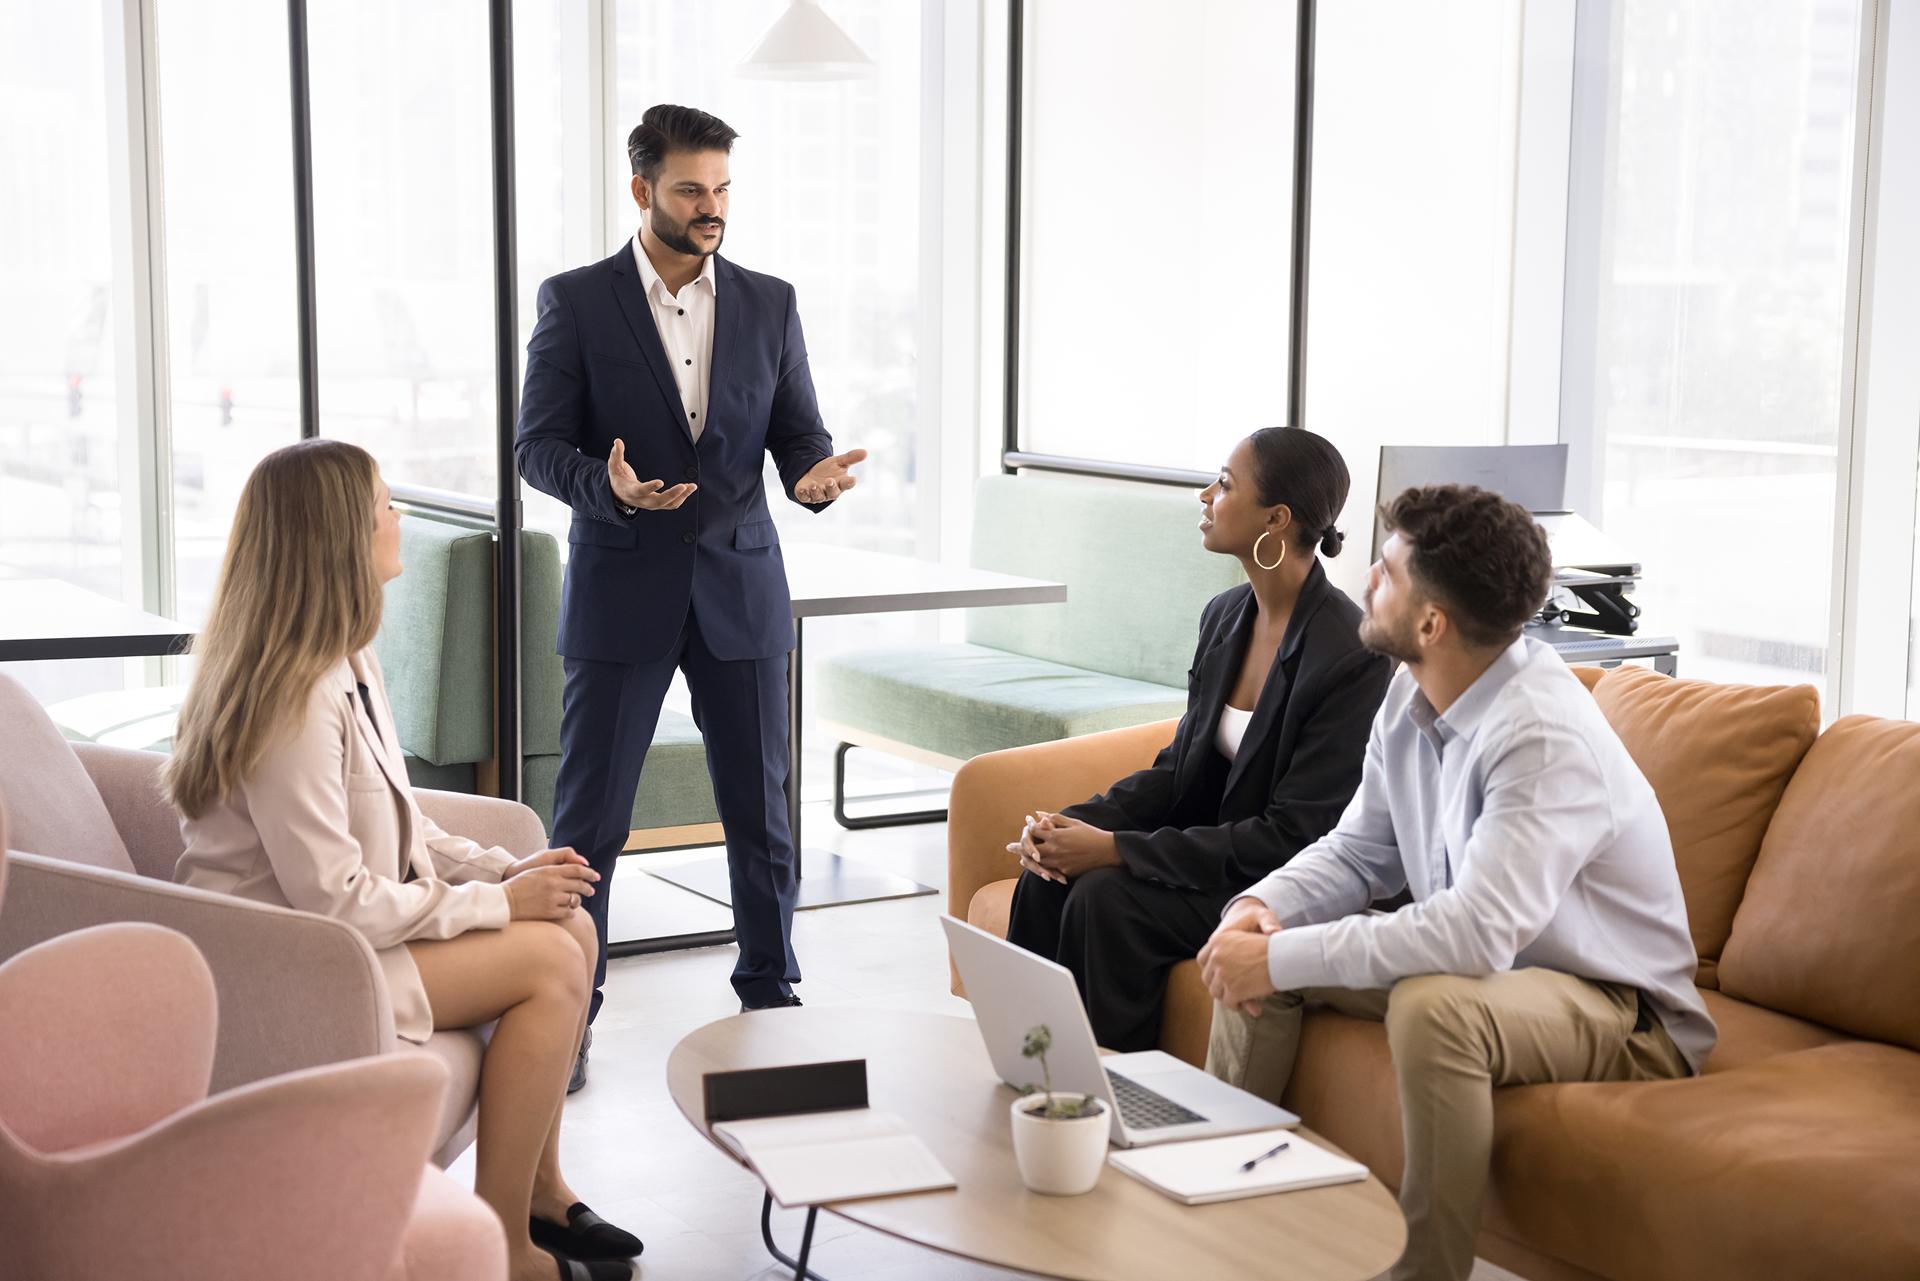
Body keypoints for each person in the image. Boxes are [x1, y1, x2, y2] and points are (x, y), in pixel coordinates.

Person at [1198, 483, 1715, 1281]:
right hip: (1505, 971)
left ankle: (1424, 1272)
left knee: (1431, 1005)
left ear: (1432, 622)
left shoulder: (1537, 733)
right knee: (1273, 943)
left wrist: (1280, 955)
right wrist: (1261, 909)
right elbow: (1361, 849)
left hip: (1618, 1005)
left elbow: (1471, 935)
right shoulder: (1411, 683)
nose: (1368, 577)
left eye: (1390, 572)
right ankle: (1224, 1212)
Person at [168, 440, 640, 1281]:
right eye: (385, 506)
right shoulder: (293, 696)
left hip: (343, 937)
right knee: (550, 963)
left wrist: (504, 873)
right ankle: (503, 1249)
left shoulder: (346, 656)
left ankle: (539, 1187)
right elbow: (334, 901)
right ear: (338, 534)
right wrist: (502, 909)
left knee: (573, 927)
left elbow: (398, 815)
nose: (400, 519)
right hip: (292, 961)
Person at [517, 104, 866, 1088]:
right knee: (590, 825)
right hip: (621, 590)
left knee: (763, 813)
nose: (710, 210)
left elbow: (798, 434)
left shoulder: (769, 301)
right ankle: (565, 1014)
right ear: (642, 191)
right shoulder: (576, 301)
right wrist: (609, 488)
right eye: (689, 192)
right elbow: (536, 448)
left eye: (721, 191)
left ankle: (771, 994)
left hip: (743, 586)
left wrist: (812, 478)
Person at [1003, 427, 1391, 1052]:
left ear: (1277, 518)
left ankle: (1116, 1099)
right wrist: (1070, 826)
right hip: (1219, 859)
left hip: (1281, 879)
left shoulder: (1350, 653)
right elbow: (1177, 770)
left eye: (1226, 484)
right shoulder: (1225, 615)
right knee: (1047, 877)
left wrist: (1118, 851)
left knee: (1107, 899)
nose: (1205, 494)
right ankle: (1029, 1072)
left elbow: (1296, 835)